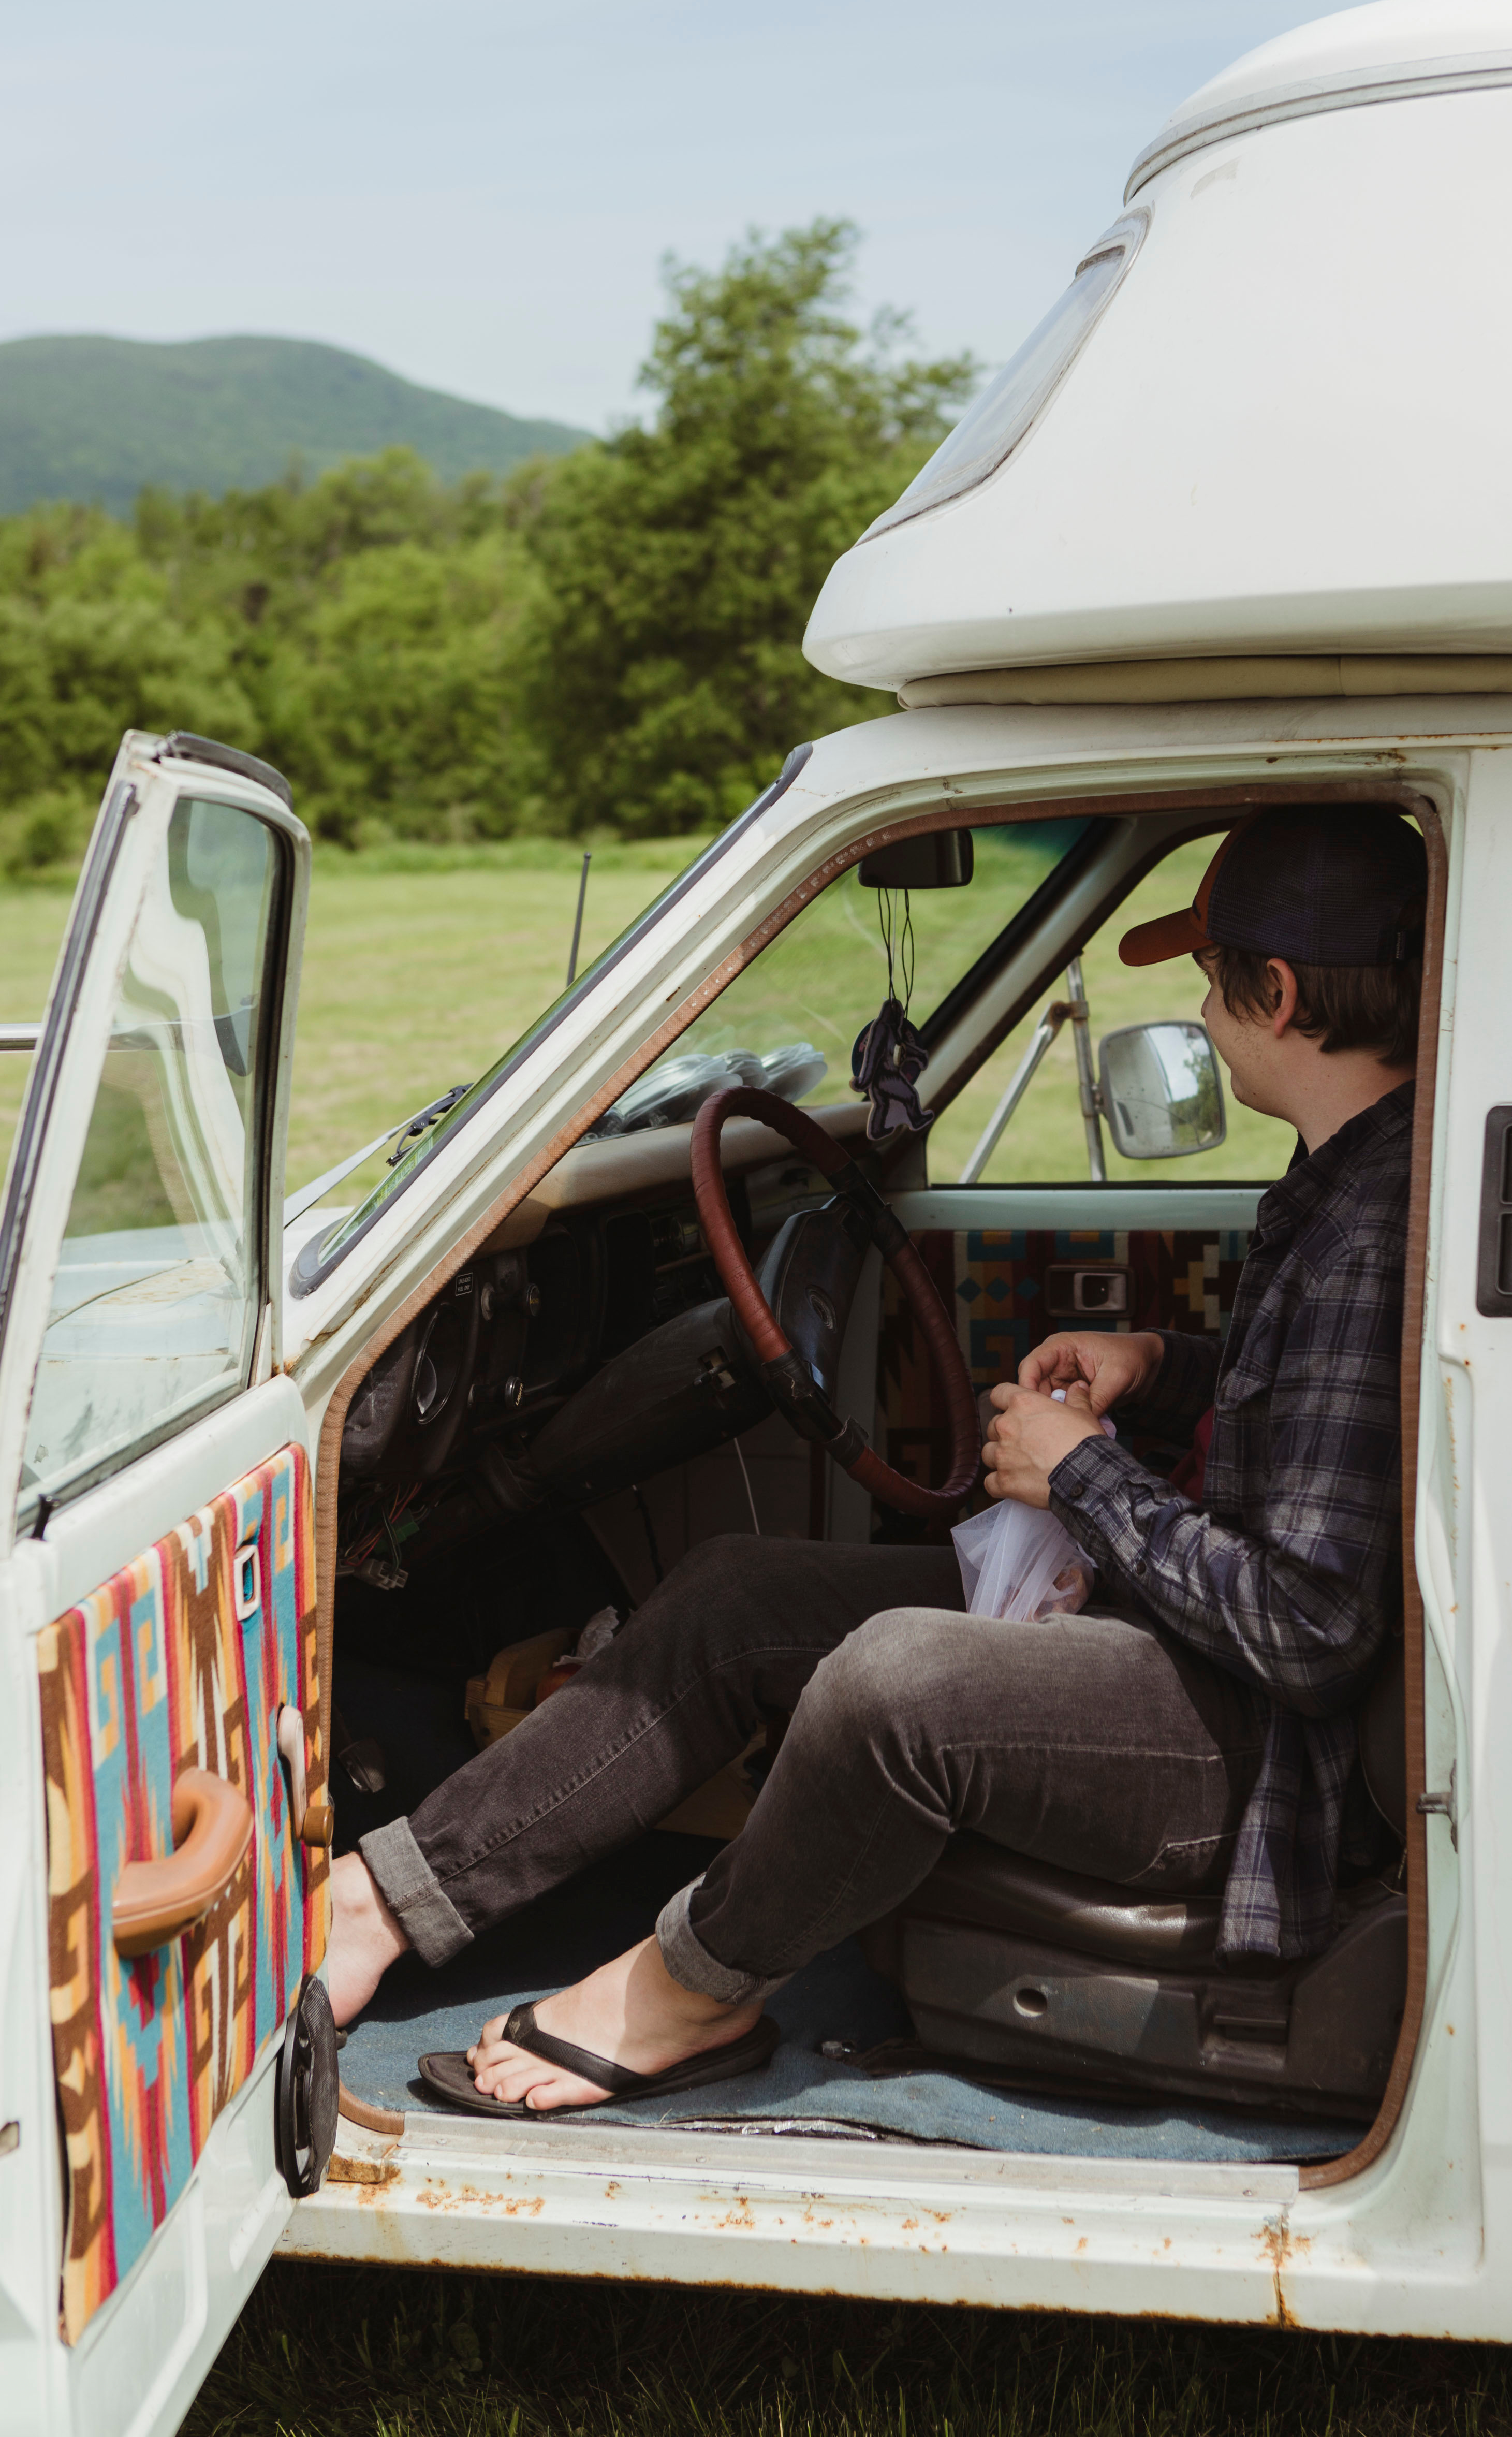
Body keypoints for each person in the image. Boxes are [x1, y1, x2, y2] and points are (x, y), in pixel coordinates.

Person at [321, 804, 1427, 2112]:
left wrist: (1082, 1473)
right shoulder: (1343, 1179)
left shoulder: (1369, 1227)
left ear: (1281, 991)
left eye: (1210, 969)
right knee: (739, 1597)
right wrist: (1157, 1362)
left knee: (894, 1681)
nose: (1201, 995)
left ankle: (690, 1993)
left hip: (1256, 1752)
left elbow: (1310, 1626)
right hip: (1190, 1660)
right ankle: (382, 1900)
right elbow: (1308, 1436)